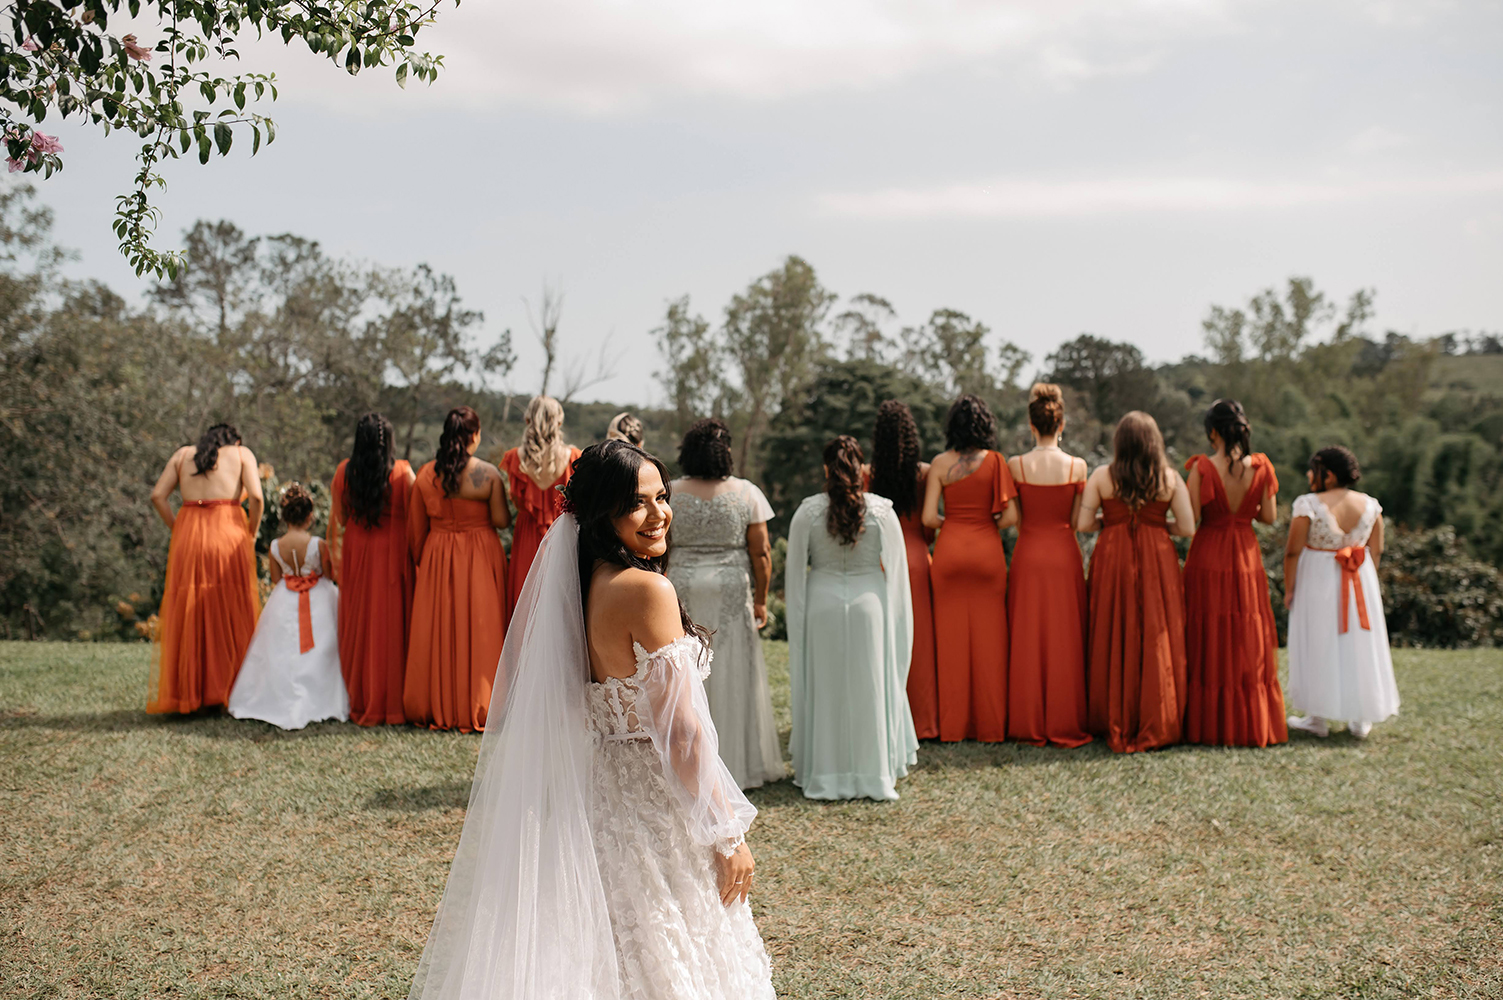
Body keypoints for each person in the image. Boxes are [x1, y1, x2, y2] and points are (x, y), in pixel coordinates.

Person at [408, 440, 773, 1000]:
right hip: (656, 801)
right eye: (637, 504)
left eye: (661, 497)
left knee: (617, 946)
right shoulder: (647, 589)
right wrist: (725, 834)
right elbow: (680, 733)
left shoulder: (583, 588)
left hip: (605, 798)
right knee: (673, 945)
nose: (658, 515)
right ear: (604, 513)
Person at [786, 436, 916, 800]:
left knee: (826, 687)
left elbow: (794, 576)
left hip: (821, 605)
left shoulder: (807, 513)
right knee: (870, 685)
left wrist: (797, 625)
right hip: (870, 606)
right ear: (862, 470)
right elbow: (899, 576)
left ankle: (824, 773)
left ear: (826, 470)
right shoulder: (882, 512)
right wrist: (897, 624)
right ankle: (873, 773)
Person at [665, 418, 784, 790]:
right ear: (725, 453)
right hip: (731, 587)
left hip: (681, 586)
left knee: (685, 670)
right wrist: (762, 600)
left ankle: (688, 764)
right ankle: (735, 763)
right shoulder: (747, 493)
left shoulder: (670, 490)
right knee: (732, 669)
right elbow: (761, 553)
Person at [1076, 412, 1194, 753]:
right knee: (1157, 632)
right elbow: (1187, 527)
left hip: (1113, 555)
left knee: (1112, 629)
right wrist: (1156, 527)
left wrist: (1111, 521)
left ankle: (1110, 713)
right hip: (1157, 557)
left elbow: (1083, 524)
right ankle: (1158, 715)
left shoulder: (1102, 476)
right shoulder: (1170, 478)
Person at [1183, 399, 1287, 747]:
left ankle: (1207, 721)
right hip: (1245, 555)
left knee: (1206, 629)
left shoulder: (1201, 468)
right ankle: (1248, 720)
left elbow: (1190, 518)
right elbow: (1270, 517)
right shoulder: (1262, 467)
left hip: (1209, 552)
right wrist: (1244, 512)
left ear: (1213, 432)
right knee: (1246, 632)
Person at [404, 406, 511, 733]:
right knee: (481, 628)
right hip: (479, 555)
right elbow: (501, 521)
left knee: (440, 629)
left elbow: (415, 531)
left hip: (438, 555)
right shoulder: (489, 475)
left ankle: (437, 702)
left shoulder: (424, 474)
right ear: (475, 436)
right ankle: (481, 703)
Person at [147, 423, 263, 715]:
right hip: (228, 532)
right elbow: (258, 498)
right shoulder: (241, 454)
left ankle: (189, 693)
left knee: (189, 611)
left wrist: (178, 527)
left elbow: (157, 496)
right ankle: (231, 689)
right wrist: (251, 531)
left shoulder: (182, 455)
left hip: (189, 534)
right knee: (230, 607)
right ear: (234, 439)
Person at [1284, 446, 1399, 739]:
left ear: (1329, 475)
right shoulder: (1371, 505)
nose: (1309, 475)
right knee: (1357, 644)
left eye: (1313, 469)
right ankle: (1360, 718)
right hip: (1359, 579)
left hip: (1317, 580)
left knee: (1318, 640)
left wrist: (1289, 588)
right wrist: (1365, 578)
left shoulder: (1307, 503)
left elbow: (1293, 551)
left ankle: (1317, 718)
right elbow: (1377, 548)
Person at [923, 394, 1019, 742]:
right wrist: (984, 520)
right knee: (989, 643)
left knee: (951, 643)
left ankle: (952, 727)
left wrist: (955, 521)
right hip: (985, 553)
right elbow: (1010, 516)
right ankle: (991, 727)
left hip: (949, 552)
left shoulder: (939, 464)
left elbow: (928, 517)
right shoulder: (996, 461)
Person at [1006, 383, 1092, 748]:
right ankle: (1064, 717)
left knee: (1027, 635)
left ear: (1031, 424)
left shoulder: (1015, 465)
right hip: (1063, 553)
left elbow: (1015, 517)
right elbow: (1075, 520)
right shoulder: (1078, 466)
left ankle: (1027, 720)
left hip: (1029, 553)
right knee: (1064, 637)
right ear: (1062, 424)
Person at [227, 484, 349, 729]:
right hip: (318, 596)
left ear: (284, 517)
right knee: (324, 647)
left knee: (281, 649)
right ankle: (321, 696)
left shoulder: (274, 546)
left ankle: (277, 696)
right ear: (309, 516)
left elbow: (275, 578)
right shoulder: (318, 544)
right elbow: (328, 573)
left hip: (284, 597)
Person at [328, 412, 415, 726]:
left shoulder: (343, 471)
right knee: (391, 625)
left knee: (360, 622)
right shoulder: (404, 472)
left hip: (358, 551)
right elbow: (416, 517)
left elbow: (339, 519)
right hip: (392, 554)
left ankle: (360, 695)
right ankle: (391, 701)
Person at [869, 399, 939, 740]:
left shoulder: (868, 474)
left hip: (881, 562)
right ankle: (923, 722)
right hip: (917, 559)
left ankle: (887, 719)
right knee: (920, 645)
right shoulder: (925, 474)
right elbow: (929, 527)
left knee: (884, 643)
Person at [501, 395, 581, 619]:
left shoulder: (514, 459)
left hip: (527, 539)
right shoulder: (575, 458)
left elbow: (517, 503)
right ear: (559, 422)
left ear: (528, 420)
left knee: (525, 610)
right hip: (563, 539)